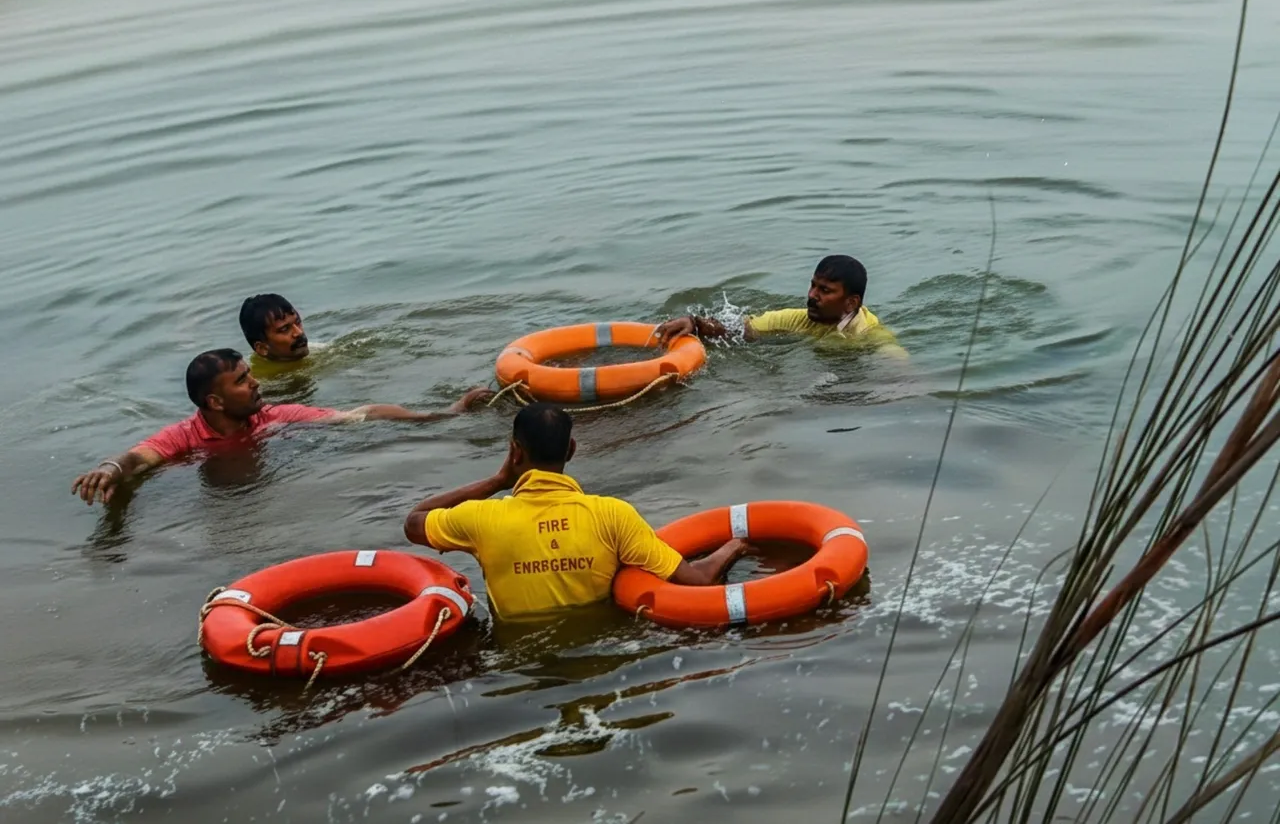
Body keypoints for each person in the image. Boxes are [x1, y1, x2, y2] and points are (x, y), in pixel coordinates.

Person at [403, 403, 748, 621]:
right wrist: (734, 544)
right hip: (599, 657)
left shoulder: (480, 518)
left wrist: (496, 481)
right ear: (571, 449)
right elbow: (699, 579)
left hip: (517, 668)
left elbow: (414, 522)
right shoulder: (612, 515)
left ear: (515, 452)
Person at [72, 348, 494, 506]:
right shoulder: (183, 436)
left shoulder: (273, 416)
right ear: (214, 402)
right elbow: (138, 458)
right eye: (241, 380)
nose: (255, 382)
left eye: (248, 373)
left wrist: (447, 413)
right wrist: (110, 470)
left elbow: (360, 415)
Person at [654, 254, 906, 357]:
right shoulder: (798, 318)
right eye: (813, 285)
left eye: (825, 291)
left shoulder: (871, 338)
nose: (811, 295)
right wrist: (696, 324)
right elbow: (738, 330)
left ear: (851, 302)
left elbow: (901, 376)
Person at [239, 293, 316, 377]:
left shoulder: (319, 350)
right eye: (284, 329)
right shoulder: (260, 383)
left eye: (298, 322)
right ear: (262, 348)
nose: (299, 332)